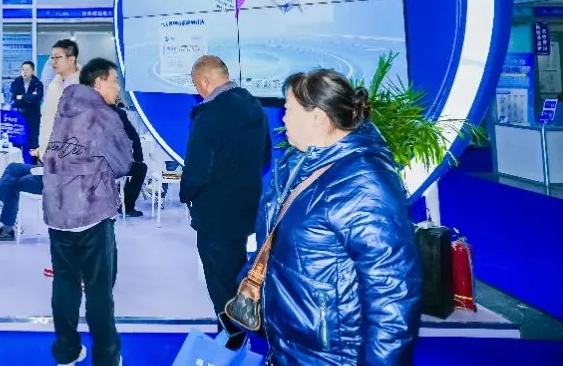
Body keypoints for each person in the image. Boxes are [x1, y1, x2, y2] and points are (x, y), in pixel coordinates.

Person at [255, 69, 421, 365]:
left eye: (289, 110)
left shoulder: (364, 184)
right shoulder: (302, 164)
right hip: (293, 344)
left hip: (333, 355)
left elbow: (392, 293)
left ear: (318, 118)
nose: (283, 119)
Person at [43, 58, 134, 366]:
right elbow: (123, 163)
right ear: (99, 83)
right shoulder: (102, 115)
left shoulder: (64, 108)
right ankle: (107, 356)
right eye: (114, 81)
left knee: (65, 284)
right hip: (92, 212)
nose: (117, 88)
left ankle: (67, 351)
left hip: (58, 213)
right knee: (98, 290)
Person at [179, 55, 271, 349]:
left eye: (196, 86)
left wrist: (185, 194)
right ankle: (244, 330)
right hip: (246, 207)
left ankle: (233, 340)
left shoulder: (208, 116)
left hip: (215, 214)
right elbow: (265, 157)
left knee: (220, 282)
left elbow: (196, 174)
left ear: (205, 81)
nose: (198, 92)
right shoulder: (254, 106)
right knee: (237, 271)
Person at [0, 39, 80, 242]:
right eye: (52, 57)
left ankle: (2, 223)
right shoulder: (55, 85)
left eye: (58, 57)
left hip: (64, 172)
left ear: (71, 59)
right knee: (13, 168)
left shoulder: (79, 89)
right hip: (48, 162)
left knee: (14, 182)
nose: (53, 62)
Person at [112, 101, 147, 217]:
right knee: (140, 169)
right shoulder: (119, 113)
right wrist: (138, 158)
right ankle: (127, 206)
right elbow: (134, 136)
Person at [10, 61, 44, 164]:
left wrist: (22, 97)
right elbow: (14, 99)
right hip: (18, 117)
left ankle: (31, 167)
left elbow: (37, 98)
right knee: (16, 144)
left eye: (27, 70)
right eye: (22, 69)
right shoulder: (16, 82)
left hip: (32, 118)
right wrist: (29, 98)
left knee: (31, 144)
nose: (24, 72)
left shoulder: (38, 83)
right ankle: (16, 166)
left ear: (32, 71)